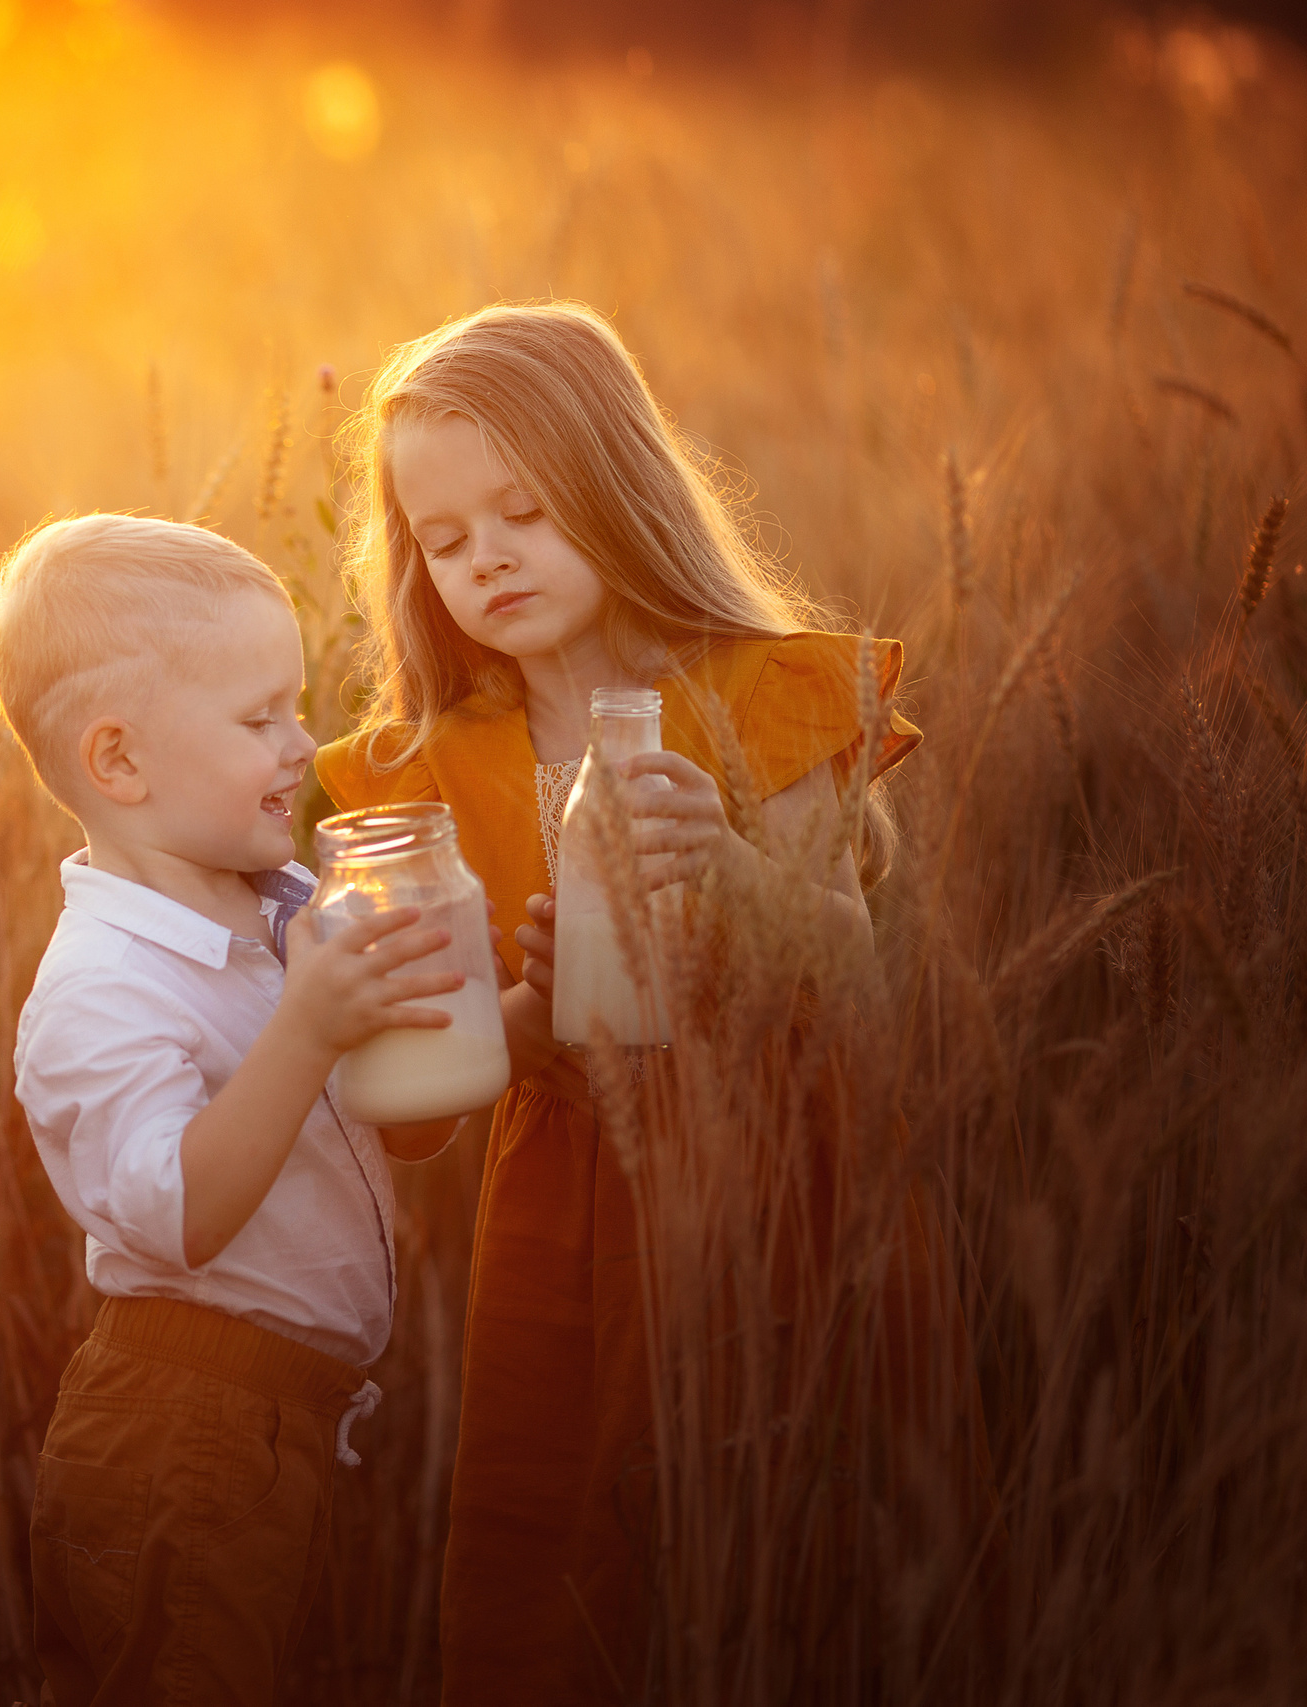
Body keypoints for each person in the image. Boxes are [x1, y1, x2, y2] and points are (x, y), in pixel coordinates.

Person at [314, 302, 928, 1701]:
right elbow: (432, 1099)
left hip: (779, 1177)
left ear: (616, 485)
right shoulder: (421, 774)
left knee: (780, 1532)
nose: (487, 559)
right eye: (445, 538)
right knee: (570, 1556)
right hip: (564, 1217)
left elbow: (857, 973)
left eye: (525, 510)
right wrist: (518, 1008)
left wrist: (727, 866)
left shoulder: (762, 697)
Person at [0, 513, 481, 1706]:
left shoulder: (284, 902)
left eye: (295, 706)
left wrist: (513, 1006)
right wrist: (309, 1021)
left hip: (288, 1427)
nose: (305, 744)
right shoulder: (101, 984)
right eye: (260, 720)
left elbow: (400, 1118)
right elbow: (178, 1214)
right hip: (179, 1429)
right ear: (120, 764)